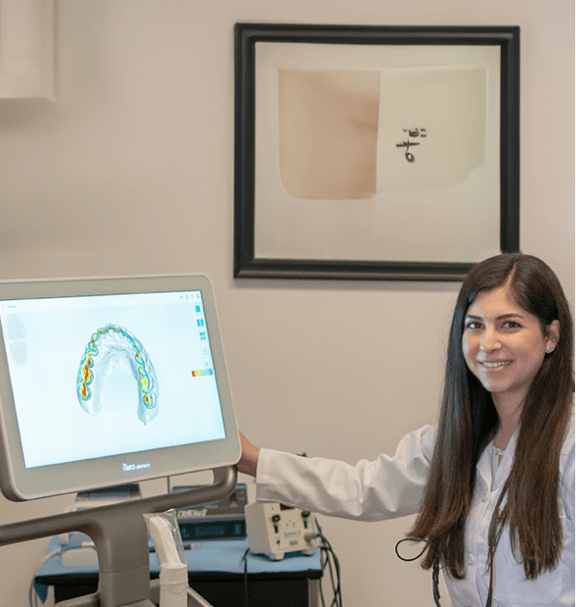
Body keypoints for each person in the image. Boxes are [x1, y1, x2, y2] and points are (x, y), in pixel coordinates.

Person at [237, 253, 575, 607]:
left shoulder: (570, 447)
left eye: (509, 325)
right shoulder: (456, 441)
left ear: (551, 335)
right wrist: (252, 460)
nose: (487, 344)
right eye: (475, 325)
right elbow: (362, 489)